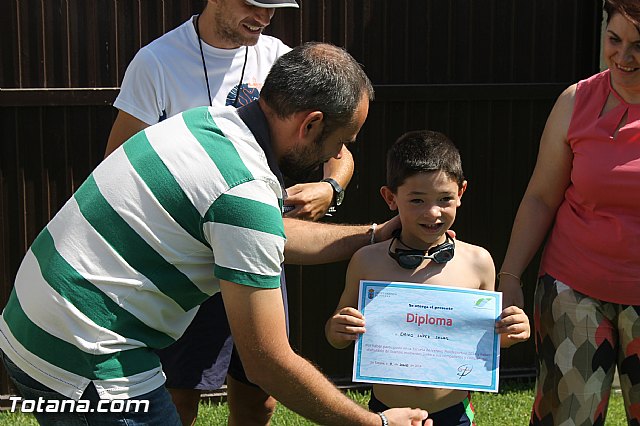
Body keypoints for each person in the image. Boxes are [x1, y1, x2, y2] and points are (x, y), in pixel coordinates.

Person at [0, 43, 432, 426]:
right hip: (87, 360)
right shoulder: (243, 192)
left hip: (30, 330)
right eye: (342, 140)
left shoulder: (207, 123)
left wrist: (374, 235)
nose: (339, 154)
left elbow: (273, 234)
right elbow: (267, 363)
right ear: (311, 124)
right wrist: (373, 424)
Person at [104, 1, 357, 424]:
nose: (264, 16)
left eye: (273, 7)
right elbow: (120, 160)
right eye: (253, 3)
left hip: (259, 247)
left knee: (261, 394)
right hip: (188, 260)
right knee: (177, 393)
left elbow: (338, 151)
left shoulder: (280, 57)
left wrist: (330, 188)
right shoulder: (157, 62)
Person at [325, 130, 531, 425]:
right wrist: (338, 328)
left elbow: (490, 339)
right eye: (417, 200)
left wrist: (514, 331)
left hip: (453, 412)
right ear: (390, 197)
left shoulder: (478, 262)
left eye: (445, 198)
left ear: (461, 193)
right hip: (387, 412)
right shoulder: (367, 261)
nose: (433, 212)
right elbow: (336, 337)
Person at [498, 1, 640, 424]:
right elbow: (541, 197)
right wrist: (509, 277)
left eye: (639, 45)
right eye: (614, 40)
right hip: (572, 289)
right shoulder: (575, 100)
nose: (623, 56)